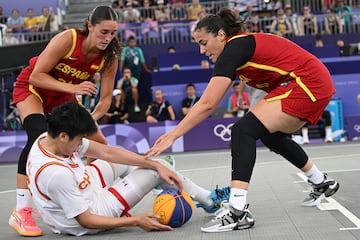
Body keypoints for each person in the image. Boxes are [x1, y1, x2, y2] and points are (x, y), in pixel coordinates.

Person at [145, 8, 340, 233]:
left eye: (203, 42)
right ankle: (321, 181)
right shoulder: (235, 53)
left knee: (242, 131)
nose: (201, 50)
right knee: (271, 136)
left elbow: (207, 104)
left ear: (220, 35)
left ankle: (238, 212)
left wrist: (172, 135)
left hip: (307, 82)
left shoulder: (234, 47)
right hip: (312, 82)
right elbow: (213, 101)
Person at [24, 102, 230, 236]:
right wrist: (135, 221)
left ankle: (152, 180)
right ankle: (209, 200)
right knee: (157, 171)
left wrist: (153, 162)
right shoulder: (55, 174)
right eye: (79, 141)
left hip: (82, 185)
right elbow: (85, 220)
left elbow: (107, 153)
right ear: (63, 136)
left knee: (150, 164)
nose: (81, 145)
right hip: (93, 210)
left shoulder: (47, 138)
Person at [9, 5, 122, 237]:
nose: (108, 38)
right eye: (103, 32)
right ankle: (21, 210)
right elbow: (36, 75)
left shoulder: (110, 55)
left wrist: (88, 120)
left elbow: (106, 99)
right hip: (33, 88)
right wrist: (73, 88)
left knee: (98, 140)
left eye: (113, 33)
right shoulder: (68, 39)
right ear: (90, 26)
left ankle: (92, 193)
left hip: (64, 95)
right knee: (38, 135)